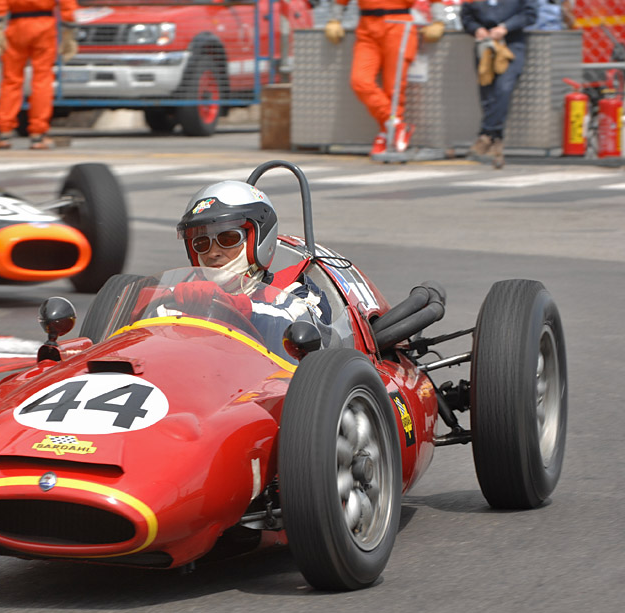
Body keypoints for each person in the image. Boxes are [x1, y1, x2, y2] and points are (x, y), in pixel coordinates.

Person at [170, 181, 332, 353]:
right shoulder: (182, 293)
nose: (212, 253)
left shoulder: (296, 293)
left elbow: (302, 326)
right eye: (201, 243)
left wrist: (232, 306)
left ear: (256, 241)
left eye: (228, 239)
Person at [323, 0, 448, 155]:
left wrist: (439, 21)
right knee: (360, 81)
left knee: (394, 88)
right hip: (366, 28)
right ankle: (396, 125)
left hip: (399, 25)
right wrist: (335, 19)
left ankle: (385, 135)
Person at [0, 0, 79, 150]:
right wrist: (69, 27)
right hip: (45, 27)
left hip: (16, 26)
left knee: (11, 80)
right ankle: (38, 135)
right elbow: (67, 4)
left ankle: (4, 133)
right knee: (42, 80)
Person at [461, 0, 538, 169]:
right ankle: (496, 141)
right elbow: (466, 16)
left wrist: (505, 27)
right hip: (484, 44)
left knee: (504, 88)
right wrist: (476, 29)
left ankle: (485, 133)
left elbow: (530, 14)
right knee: (487, 93)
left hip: (511, 43)